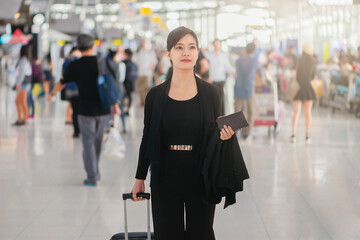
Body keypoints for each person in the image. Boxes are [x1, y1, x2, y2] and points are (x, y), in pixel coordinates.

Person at [130, 26, 249, 240]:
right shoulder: (155, 96)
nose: (186, 52)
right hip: (165, 174)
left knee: (201, 233)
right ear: (169, 54)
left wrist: (225, 137)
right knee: (167, 234)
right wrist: (140, 176)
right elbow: (148, 137)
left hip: (201, 172)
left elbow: (216, 133)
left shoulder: (212, 93)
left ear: (197, 52)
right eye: (179, 47)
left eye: (191, 47)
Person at [48, 34, 120, 186]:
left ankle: (92, 175)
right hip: (103, 109)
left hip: (85, 110)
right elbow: (111, 85)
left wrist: (52, 94)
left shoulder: (75, 65)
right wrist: (115, 105)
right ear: (93, 46)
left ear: (78, 48)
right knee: (98, 141)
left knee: (88, 142)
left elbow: (62, 82)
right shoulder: (102, 62)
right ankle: (95, 170)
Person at [234, 43, 264, 140]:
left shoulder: (238, 60)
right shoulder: (255, 61)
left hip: (238, 86)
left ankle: (236, 131)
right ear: (254, 51)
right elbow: (262, 76)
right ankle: (247, 132)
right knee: (251, 111)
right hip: (249, 88)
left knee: (238, 111)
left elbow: (235, 73)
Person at [291, 43, 317, 144]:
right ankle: (307, 135)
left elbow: (296, 74)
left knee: (296, 112)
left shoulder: (299, 60)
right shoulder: (313, 61)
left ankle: (293, 134)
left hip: (298, 88)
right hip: (308, 89)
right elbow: (312, 77)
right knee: (308, 113)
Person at [204, 39, 235, 114]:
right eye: (215, 44)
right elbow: (204, 67)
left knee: (221, 100)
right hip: (211, 81)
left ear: (220, 45)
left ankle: (221, 118)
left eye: (218, 44)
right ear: (213, 45)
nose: (217, 45)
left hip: (220, 81)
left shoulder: (224, 56)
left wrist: (235, 72)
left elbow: (228, 67)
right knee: (211, 100)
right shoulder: (208, 55)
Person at [62, 47, 82, 137]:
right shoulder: (80, 60)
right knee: (79, 109)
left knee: (73, 107)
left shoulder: (67, 61)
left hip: (70, 87)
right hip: (79, 88)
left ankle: (76, 129)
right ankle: (79, 128)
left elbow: (64, 74)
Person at [133, 40, 158, 106]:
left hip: (147, 73)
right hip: (139, 73)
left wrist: (152, 68)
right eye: (142, 44)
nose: (143, 45)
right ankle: (142, 101)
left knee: (146, 88)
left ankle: (145, 101)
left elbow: (154, 62)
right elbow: (134, 61)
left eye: (145, 44)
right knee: (140, 88)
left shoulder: (150, 53)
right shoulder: (138, 53)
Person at [13, 45, 32, 126]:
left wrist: (18, 84)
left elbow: (21, 73)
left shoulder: (23, 60)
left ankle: (23, 119)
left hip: (24, 83)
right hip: (25, 83)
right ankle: (21, 119)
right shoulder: (24, 60)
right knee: (19, 101)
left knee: (21, 101)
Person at [122, 48, 138, 115]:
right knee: (129, 96)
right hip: (131, 82)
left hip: (124, 82)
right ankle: (128, 109)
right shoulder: (134, 63)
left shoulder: (123, 62)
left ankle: (123, 109)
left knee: (124, 95)